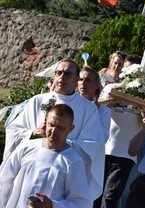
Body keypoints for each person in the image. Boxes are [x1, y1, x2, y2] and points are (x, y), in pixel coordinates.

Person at [5, 59, 105, 201]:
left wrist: (59, 141)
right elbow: (14, 130)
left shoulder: (88, 109)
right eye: (59, 73)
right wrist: (33, 133)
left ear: (76, 79)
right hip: (31, 166)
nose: (61, 77)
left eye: (67, 74)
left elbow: (94, 144)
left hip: (63, 171)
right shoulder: (38, 101)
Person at [0, 104, 91, 207]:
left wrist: (52, 205)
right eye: (51, 125)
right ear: (46, 122)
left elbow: (81, 203)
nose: (54, 131)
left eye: (60, 128)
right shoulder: (26, 147)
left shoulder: (73, 161)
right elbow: (4, 180)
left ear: (71, 128)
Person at [94, 76, 143, 208]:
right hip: (103, 149)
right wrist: (109, 104)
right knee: (95, 193)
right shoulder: (112, 88)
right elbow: (97, 108)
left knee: (110, 196)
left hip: (126, 154)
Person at [78, 66, 111, 141]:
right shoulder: (70, 104)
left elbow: (103, 137)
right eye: (81, 79)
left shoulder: (104, 111)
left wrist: (94, 112)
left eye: (88, 80)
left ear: (96, 86)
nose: (83, 83)